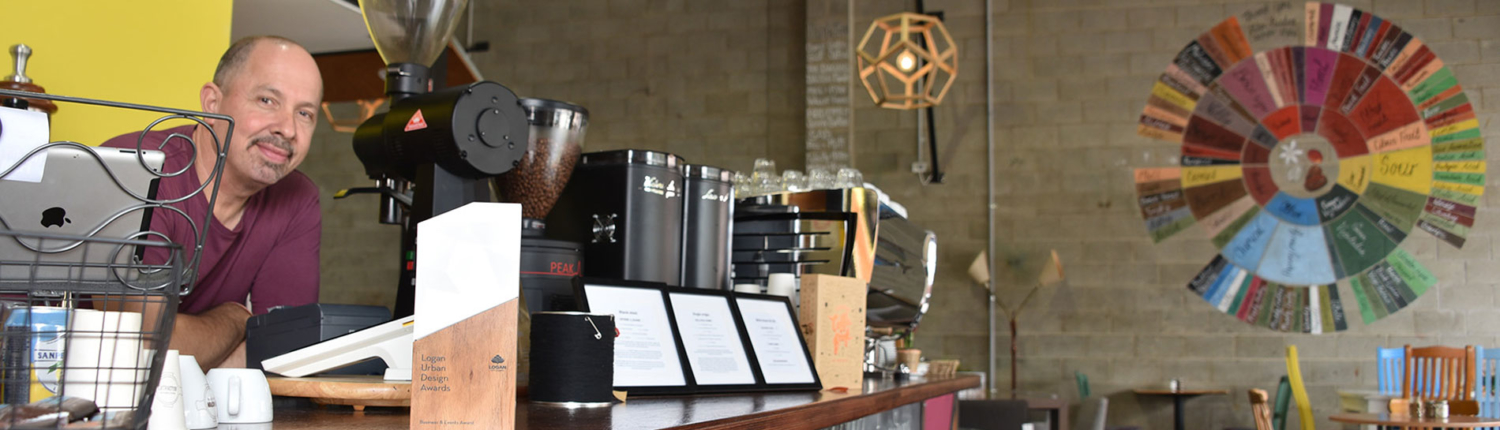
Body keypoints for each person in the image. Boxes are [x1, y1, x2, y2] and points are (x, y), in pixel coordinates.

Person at [101, 36, 324, 369]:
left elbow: (286, 356)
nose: (288, 129)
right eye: (267, 100)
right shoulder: (136, 167)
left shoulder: (297, 200)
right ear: (212, 103)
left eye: (304, 113)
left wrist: (192, 345)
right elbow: (141, 350)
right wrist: (237, 319)